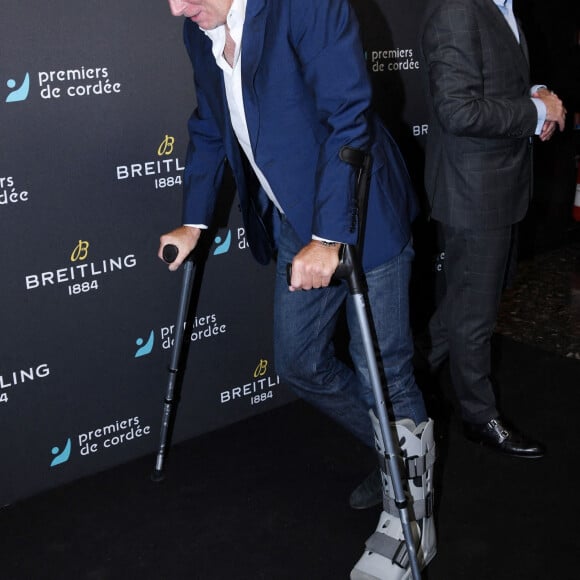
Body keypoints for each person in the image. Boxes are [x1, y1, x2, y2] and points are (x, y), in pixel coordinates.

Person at [160, 1, 436, 577]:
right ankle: (401, 460)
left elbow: (349, 116)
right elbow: (211, 124)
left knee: (383, 369)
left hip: (360, 216)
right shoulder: (200, 29)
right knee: (300, 361)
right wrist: (194, 218)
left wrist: (330, 234)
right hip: (293, 222)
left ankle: (412, 522)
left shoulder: (306, 6)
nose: (176, 8)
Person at [418, 0, 566, 457]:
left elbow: (499, 79)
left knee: (467, 301)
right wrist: (535, 112)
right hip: (472, 192)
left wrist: (535, 92)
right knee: (474, 316)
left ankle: (408, 378)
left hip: (498, 185)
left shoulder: (502, 7)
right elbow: (458, 111)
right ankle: (479, 417)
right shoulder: (456, 10)